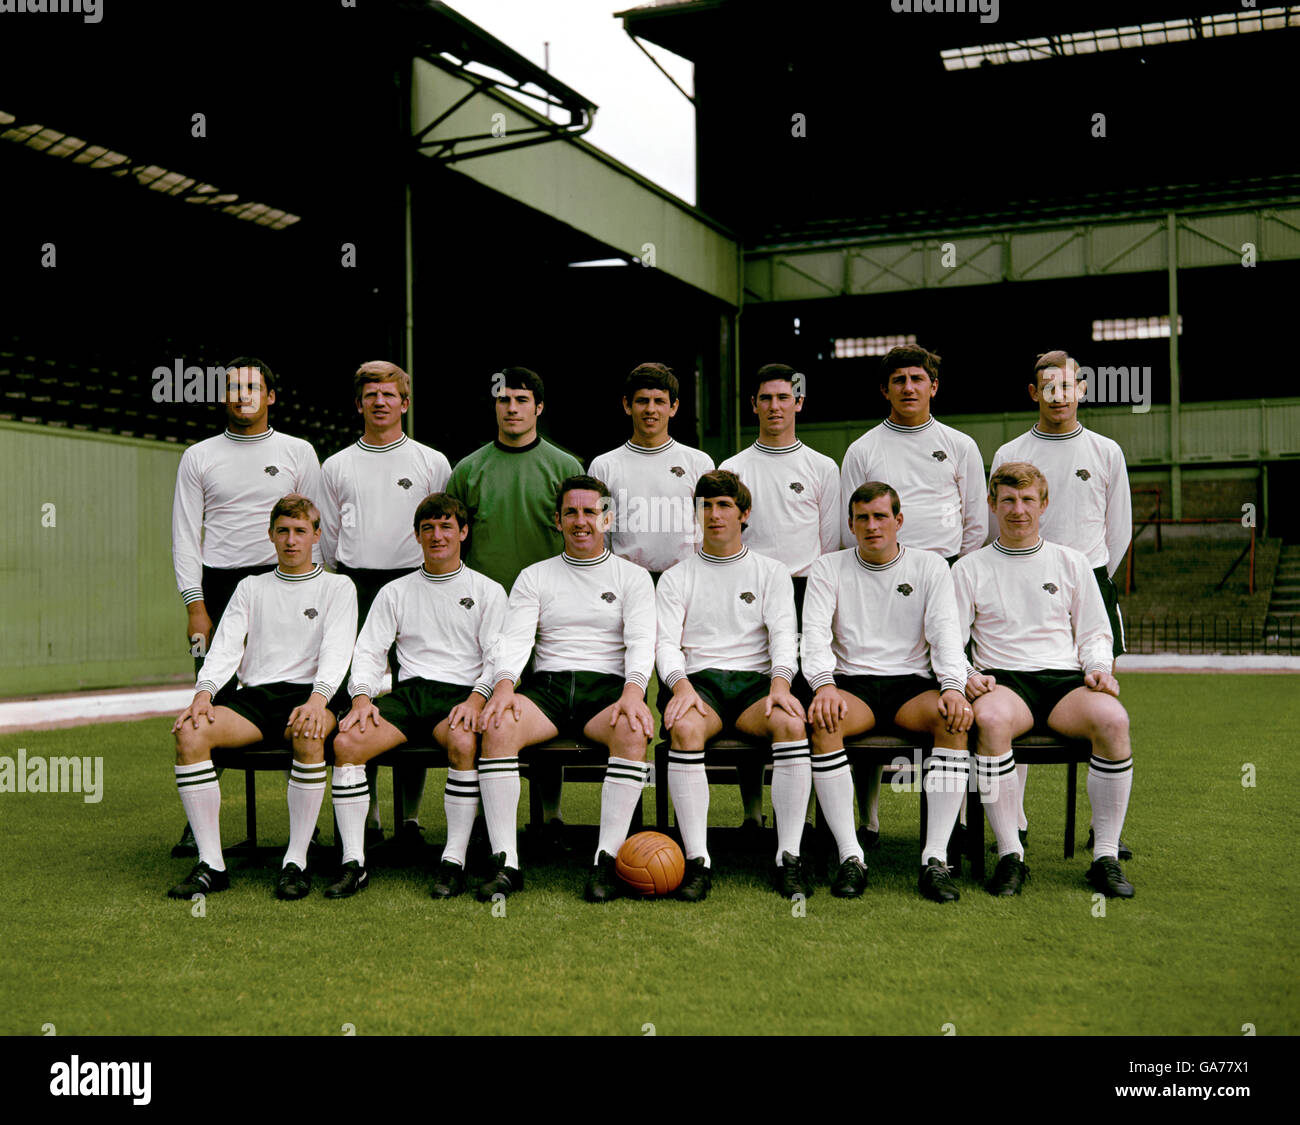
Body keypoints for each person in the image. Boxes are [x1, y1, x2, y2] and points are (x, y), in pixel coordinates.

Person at [953, 462, 1135, 899]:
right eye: (1008, 500)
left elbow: (1094, 633)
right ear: (994, 505)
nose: (1018, 510)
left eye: (1028, 500)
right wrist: (966, 675)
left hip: (1064, 684)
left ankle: (1105, 856)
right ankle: (1010, 854)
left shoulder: (1071, 563)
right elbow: (949, 641)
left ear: (1044, 504)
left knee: (1113, 720)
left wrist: (1098, 668)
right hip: (1003, 682)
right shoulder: (969, 567)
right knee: (992, 721)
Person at [167, 495, 356, 901]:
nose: (291, 541)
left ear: (316, 536)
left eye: (300, 531)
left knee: (309, 736)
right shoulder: (250, 587)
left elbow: (339, 651)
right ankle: (212, 864)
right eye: (283, 531)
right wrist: (204, 695)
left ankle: (296, 862)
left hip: (310, 697)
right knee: (191, 734)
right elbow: (225, 646)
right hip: (255, 699)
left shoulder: (338, 587)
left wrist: (319, 701)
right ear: (270, 535)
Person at [476, 476, 655, 903]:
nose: (581, 522)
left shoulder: (633, 577)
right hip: (550, 688)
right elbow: (517, 639)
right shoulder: (534, 576)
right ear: (557, 520)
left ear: (607, 518)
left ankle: (606, 861)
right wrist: (503, 687)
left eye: (590, 512)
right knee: (498, 725)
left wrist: (633, 694)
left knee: (631, 731)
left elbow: (642, 641)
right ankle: (507, 864)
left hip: (607, 689)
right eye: (571, 513)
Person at [170, 357, 322, 857]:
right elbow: (186, 534)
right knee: (209, 700)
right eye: (232, 388)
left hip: (284, 584)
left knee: (290, 692)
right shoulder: (198, 456)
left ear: (271, 396)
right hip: (218, 587)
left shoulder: (298, 452)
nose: (242, 396)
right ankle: (200, 826)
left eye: (252, 387)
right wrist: (195, 603)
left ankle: (308, 826)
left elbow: (317, 525)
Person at [837, 344, 986, 848]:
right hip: (876, 576)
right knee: (870, 675)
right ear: (885, 389)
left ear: (933, 386)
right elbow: (848, 522)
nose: (908, 387)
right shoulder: (862, 449)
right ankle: (868, 819)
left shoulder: (960, 444)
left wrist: (951, 576)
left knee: (956, 690)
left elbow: (975, 523)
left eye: (917, 379)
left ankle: (960, 821)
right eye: (897, 379)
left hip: (943, 575)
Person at [323, 493, 506, 899]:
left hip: (460, 694)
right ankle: (354, 862)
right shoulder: (395, 592)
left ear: (463, 532)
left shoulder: (488, 590)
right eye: (428, 529)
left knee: (463, 742)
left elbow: (497, 657)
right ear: (417, 536)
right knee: (347, 742)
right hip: (409, 696)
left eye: (445, 527)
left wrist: (477, 699)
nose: (437, 536)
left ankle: (453, 861)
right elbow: (369, 651)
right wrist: (361, 698)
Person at [989, 350, 1133, 857]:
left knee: (1101, 698)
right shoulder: (1011, 451)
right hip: (1022, 577)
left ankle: (1104, 833)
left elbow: (1119, 530)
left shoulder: (1106, 450)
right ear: (1034, 393)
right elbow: (999, 524)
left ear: (1083, 390)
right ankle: (1017, 821)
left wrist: (1088, 581)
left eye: (1068, 386)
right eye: (1048, 387)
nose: (1058, 395)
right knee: (1017, 683)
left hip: (1088, 581)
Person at [802, 482, 973, 901]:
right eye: (862, 518)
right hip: (852, 686)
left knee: (954, 719)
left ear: (898, 521)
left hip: (912, 686)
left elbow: (946, 634)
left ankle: (935, 859)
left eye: (880, 517)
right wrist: (823, 685)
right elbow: (815, 637)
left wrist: (953, 686)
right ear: (850, 524)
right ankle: (850, 856)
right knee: (824, 722)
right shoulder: (828, 567)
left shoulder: (931, 567)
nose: (872, 526)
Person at [445, 367, 583, 845]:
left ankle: (552, 814)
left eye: (522, 400)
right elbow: (453, 538)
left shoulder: (565, 466)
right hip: (486, 611)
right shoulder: (467, 469)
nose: (512, 407)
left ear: (539, 408)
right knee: (487, 710)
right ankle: (488, 814)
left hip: (549, 609)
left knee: (543, 708)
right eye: (504, 400)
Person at [319, 360, 452, 853]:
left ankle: (411, 819)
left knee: (414, 695)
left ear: (405, 402)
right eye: (371, 394)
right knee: (361, 699)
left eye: (389, 393)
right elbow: (328, 540)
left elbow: (439, 527)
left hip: (416, 588)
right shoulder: (335, 465)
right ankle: (367, 816)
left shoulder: (431, 462)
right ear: (359, 404)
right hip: (357, 587)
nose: (380, 401)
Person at [656, 470, 805, 902]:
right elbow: (665, 645)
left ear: (744, 514)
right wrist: (680, 688)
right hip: (699, 683)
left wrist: (781, 685)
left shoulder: (771, 572)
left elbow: (783, 636)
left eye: (723, 505)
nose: (714, 514)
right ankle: (698, 861)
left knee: (792, 727)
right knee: (683, 730)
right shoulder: (675, 576)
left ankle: (789, 857)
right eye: (705, 505)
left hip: (756, 685)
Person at [719, 364, 838, 833]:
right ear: (754, 405)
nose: (774, 406)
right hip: (745, 592)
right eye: (765, 398)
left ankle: (802, 819)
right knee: (755, 693)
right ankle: (752, 813)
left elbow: (830, 545)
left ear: (798, 403)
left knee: (799, 704)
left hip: (805, 592)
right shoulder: (732, 468)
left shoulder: (821, 467)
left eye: (783, 398)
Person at [588, 362, 714, 581]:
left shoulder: (699, 463)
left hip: (685, 581)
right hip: (623, 583)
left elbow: (707, 529)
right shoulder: (604, 466)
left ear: (673, 407)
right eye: (642, 401)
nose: (650, 409)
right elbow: (600, 535)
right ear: (627, 405)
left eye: (659, 401)